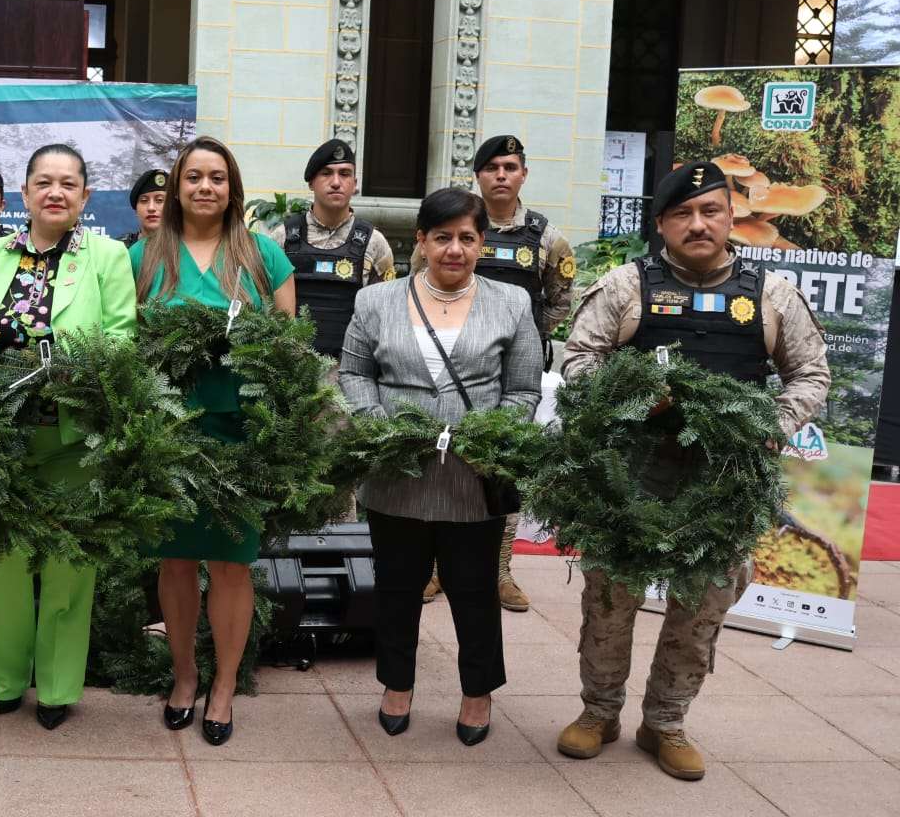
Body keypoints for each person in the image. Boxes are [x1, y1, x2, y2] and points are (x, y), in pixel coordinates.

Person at [556, 161, 829, 781]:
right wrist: (628, 396)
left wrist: (771, 426)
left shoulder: (772, 295)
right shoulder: (628, 286)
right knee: (609, 600)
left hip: (723, 482)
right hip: (631, 474)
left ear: (732, 219)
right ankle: (599, 712)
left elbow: (811, 373)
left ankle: (667, 721)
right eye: (683, 213)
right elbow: (578, 362)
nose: (698, 224)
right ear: (661, 224)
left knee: (702, 604)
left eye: (710, 211)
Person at [339, 186, 543, 747]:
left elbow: (523, 389)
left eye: (467, 238)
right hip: (396, 475)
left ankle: (477, 693)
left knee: (474, 589)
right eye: (442, 237)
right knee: (398, 586)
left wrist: (491, 435)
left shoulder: (511, 303)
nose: (454, 248)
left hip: (473, 479)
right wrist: (380, 425)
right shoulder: (375, 302)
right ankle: (396, 685)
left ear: (482, 243)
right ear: (422, 241)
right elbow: (353, 373)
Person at [134, 136, 297, 746]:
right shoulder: (145, 257)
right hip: (167, 436)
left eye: (218, 178)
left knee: (231, 566)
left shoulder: (262, 256)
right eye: (194, 177)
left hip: (238, 436)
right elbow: (126, 347)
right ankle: (184, 676)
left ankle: (224, 685)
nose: (206, 187)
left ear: (233, 189)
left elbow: (288, 352)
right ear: (176, 188)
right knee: (175, 563)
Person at [0, 144, 136, 730]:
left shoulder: (107, 255)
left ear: (86, 196)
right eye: (44, 182)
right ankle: (8, 680)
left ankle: (59, 688)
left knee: (69, 564)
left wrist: (79, 369)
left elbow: (121, 335)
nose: (56, 192)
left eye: (68, 183)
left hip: (71, 432)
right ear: (26, 193)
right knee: (2, 563)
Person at [416, 135, 573, 612]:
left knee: (504, 466)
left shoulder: (547, 238)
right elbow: (417, 286)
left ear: (524, 174)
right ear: (477, 176)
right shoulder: (452, 225)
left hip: (513, 372)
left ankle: (501, 570)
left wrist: (521, 337)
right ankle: (435, 569)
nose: (501, 175)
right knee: (437, 460)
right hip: (448, 361)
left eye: (510, 167)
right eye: (492, 168)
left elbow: (561, 298)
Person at [262, 139, 394, 359]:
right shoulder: (282, 237)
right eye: (326, 173)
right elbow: (263, 302)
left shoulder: (374, 242)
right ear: (311, 183)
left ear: (355, 183)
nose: (336, 182)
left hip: (351, 371)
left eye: (344, 174)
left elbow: (387, 312)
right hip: (292, 370)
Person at [118, 168, 167, 248]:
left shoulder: (186, 248)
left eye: (159, 200)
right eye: (144, 200)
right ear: (136, 210)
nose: (151, 208)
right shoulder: (121, 248)